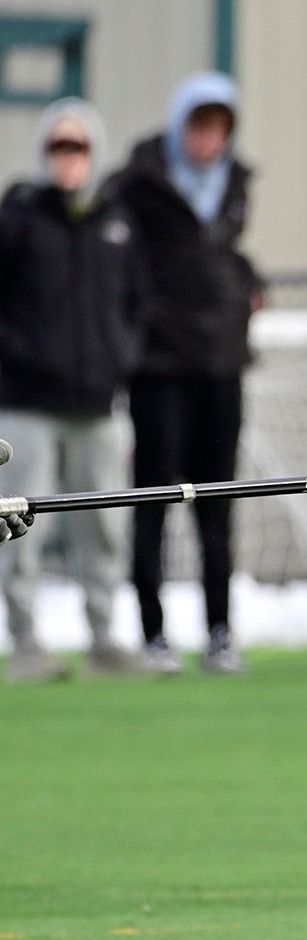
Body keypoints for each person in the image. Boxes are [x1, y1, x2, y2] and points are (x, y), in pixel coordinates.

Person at [113, 72, 263, 676]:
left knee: (219, 504)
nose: (209, 139)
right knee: (155, 502)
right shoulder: (136, 186)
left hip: (221, 368)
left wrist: (250, 283)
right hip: (159, 371)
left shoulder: (235, 186)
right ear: (181, 126)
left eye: (220, 127)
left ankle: (220, 632)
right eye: (199, 126)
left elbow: (221, 259)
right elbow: (118, 270)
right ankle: (153, 634)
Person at [0, 99, 149, 681]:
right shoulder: (18, 218)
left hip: (97, 405)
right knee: (20, 525)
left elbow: (138, 302)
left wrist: (121, 358)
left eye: (79, 146)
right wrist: (21, 357)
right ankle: (26, 642)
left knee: (104, 526)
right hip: (26, 404)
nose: (69, 157)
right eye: (58, 146)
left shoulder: (118, 221)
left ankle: (105, 639)